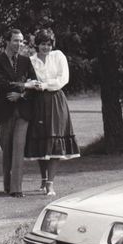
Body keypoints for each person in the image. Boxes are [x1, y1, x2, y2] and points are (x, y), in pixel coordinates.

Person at [25, 28, 80, 196]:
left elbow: (64, 79)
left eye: (49, 44)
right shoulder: (31, 60)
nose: (46, 47)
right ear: (37, 45)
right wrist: (33, 84)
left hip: (56, 100)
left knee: (55, 140)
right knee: (41, 141)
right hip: (38, 102)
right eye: (43, 44)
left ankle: (50, 184)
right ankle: (43, 180)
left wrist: (46, 84)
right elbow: (27, 79)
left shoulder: (58, 56)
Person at [0, 29, 39, 198]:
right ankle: (7, 184)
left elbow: (34, 82)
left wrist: (22, 93)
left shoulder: (26, 61)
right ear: (7, 41)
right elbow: (2, 84)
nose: (19, 44)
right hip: (5, 110)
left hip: (23, 110)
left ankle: (16, 189)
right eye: (16, 41)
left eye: (21, 41)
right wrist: (24, 84)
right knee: (6, 147)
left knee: (18, 148)